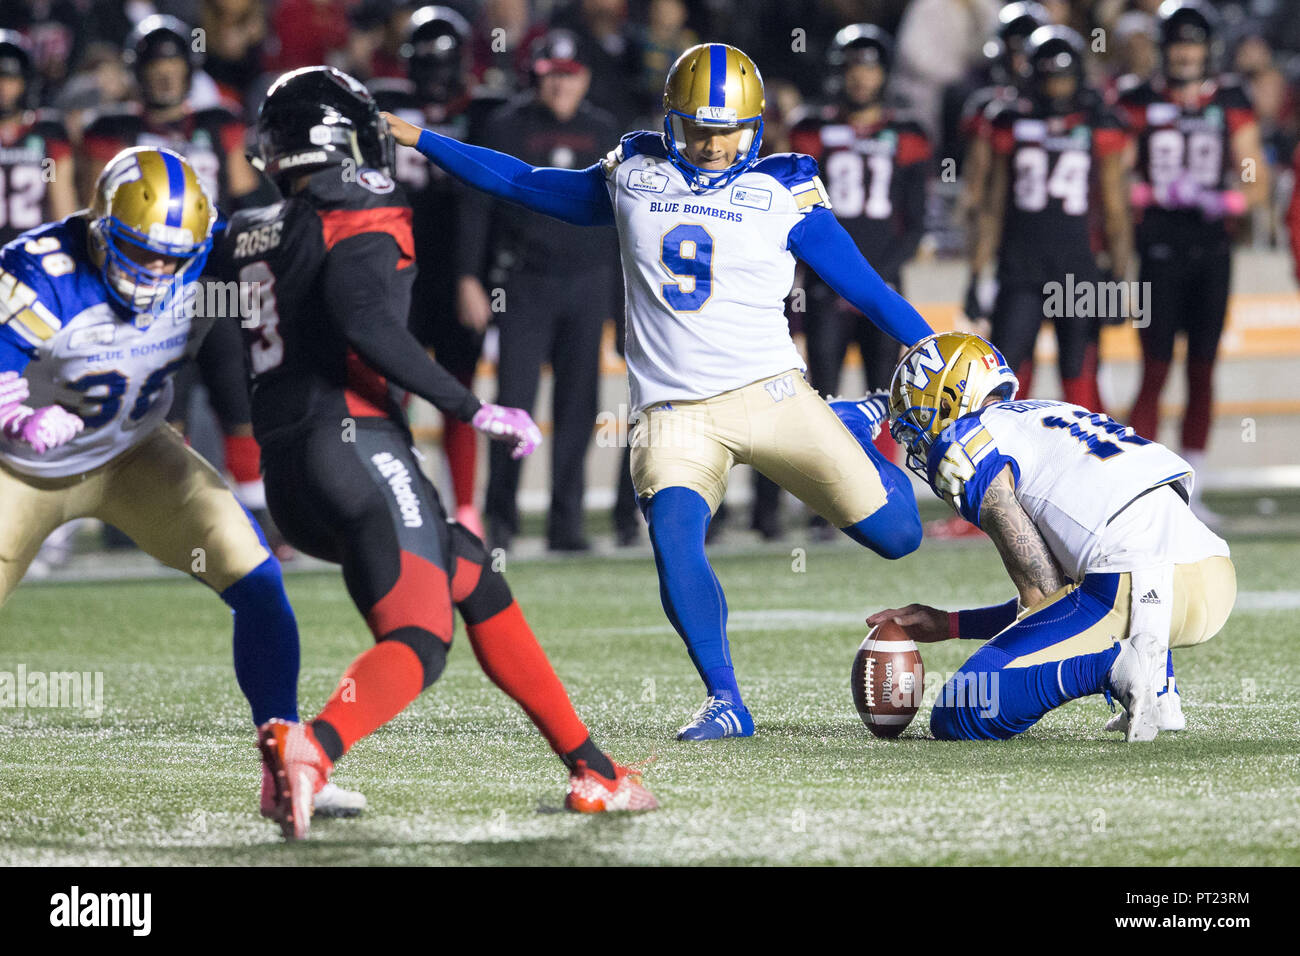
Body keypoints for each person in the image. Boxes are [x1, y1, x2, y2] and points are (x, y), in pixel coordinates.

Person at [384, 42, 932, 741]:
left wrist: (934, 344)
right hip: (675, 414)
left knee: (899, 536)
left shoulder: (782, 191)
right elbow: (522, 182)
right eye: (699, 128)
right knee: (675, 537)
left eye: (726, 129)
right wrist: (422, 138)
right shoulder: (633, 174)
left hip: (773, 395)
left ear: (754, 127)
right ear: (672, 121)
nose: (711, 144)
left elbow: (864, 287)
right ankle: (726, 699)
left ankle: (842, 422)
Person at [211, 67, 656, 837]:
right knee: (419, 639)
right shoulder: (359, 206)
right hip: (356, 450)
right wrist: (471, 405)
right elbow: (365, 322)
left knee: (472, 572)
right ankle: (310, 749)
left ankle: (596, 769)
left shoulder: (253, 226)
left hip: (291, 467)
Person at [0, 146, 355, 833]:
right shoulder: (37, 270)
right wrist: (15, 412)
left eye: (175, 256)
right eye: (141, 252)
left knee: (257, 580)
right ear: (101, 229)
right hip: (22, 470)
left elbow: (291, 248)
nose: (160, 269)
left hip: (134, 455)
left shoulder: (206, 255)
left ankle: (286, 759)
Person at [860, 332, 1234, 740]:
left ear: (948, 400)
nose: (917, 439)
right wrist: (950, 623)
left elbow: (1044, 597)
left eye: (916, 419)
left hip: (1133, 579)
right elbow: (1067, 600)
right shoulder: (1044, 412)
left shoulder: (962, 442)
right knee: (1100, 570)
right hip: (1210, 578)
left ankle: (1114, 667)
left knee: (962, 707)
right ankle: (1160, 688)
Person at [78, 14, 282, 547]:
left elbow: (247, 198)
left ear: (189, 68)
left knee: (237, 399)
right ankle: (153, 522)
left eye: (173, 66)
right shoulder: (113, 131)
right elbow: (91, 209)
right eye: (155, 67)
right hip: (144, 288)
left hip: (212, 281)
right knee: (157, 407)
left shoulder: (218, 121)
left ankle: (261, 520)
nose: (165, 77)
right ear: (137, 73)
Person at [461, 30, 620, 553]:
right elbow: (477, 204)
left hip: (588, 280)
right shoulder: (505, 125)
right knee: (514, 402)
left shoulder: (604, 132)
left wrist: (624, 296)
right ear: (537, 76)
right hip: (523, 282)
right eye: (552, 75)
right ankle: (501, 516)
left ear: (585, 79)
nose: (560, 85)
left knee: (580, 405)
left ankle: (566, 521)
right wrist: (469, 276)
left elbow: (626, 216)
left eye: (569, 75)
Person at [1116, 0, 1268, 522]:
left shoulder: (1229, 99)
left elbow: (1255, 178)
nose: (1184, 53)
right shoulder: (1137, 99)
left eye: (1192, 44)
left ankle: (1191, 491)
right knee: (1155, 367)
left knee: (1202, 367)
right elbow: (1117, 175)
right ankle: (1138, 488)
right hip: (1157, 249)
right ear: (1164, 49)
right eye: (1177, 43)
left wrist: (1226, 201)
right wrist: (1145, 193)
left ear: (1208, 49)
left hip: (1210, 248)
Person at [372, 5, 504, 538]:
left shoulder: (489, 110)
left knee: (458, 388)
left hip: (460, 270)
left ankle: (466, 509)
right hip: (400, 267)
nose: (433, 75)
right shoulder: (383, 105)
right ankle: (395, 500)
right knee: (392, 387)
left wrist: (484, 272)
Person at [966, 26, 1131, 408]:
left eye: (1062, 79)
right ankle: (1016, 466)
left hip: (1077, 270)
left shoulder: (1096, 125)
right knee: (1010, 382)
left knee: (1081, 379)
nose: (1056, 89)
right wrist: (976, 274)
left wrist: (1119, 277)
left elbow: (1114, 209)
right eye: (1049, 79)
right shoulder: (1009, 122)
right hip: (1021, 268)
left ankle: (1090, 466)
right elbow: (992, 205)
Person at [0, 31, 76, 249]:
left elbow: (59, 198)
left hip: (32, 255)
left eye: (10, 78)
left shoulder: (45, 136)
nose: (3, 87)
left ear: (25, 82)